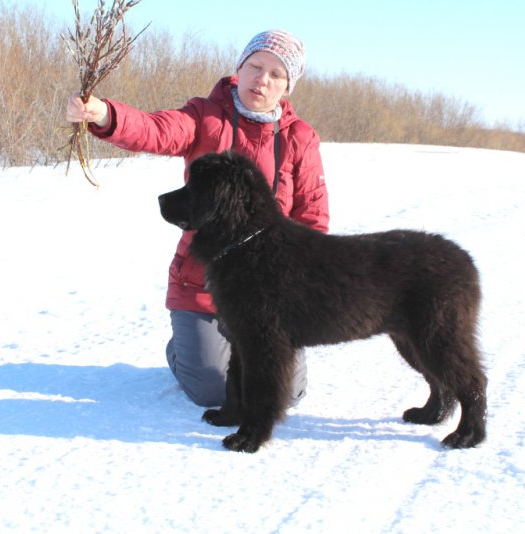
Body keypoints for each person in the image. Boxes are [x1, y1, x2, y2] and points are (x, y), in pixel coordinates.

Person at [66, 29, 330, 408]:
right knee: (212, 389)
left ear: (288, 87)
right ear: (240, 67)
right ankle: (185, 350)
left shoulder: (299, 138)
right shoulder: (206, 116)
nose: (262, 79)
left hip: (267, 294)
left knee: (284, 394)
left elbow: (312, 217)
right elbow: (156, 130)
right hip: (202, 286)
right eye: (255, 66)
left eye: (276, 74)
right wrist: (104, 114)